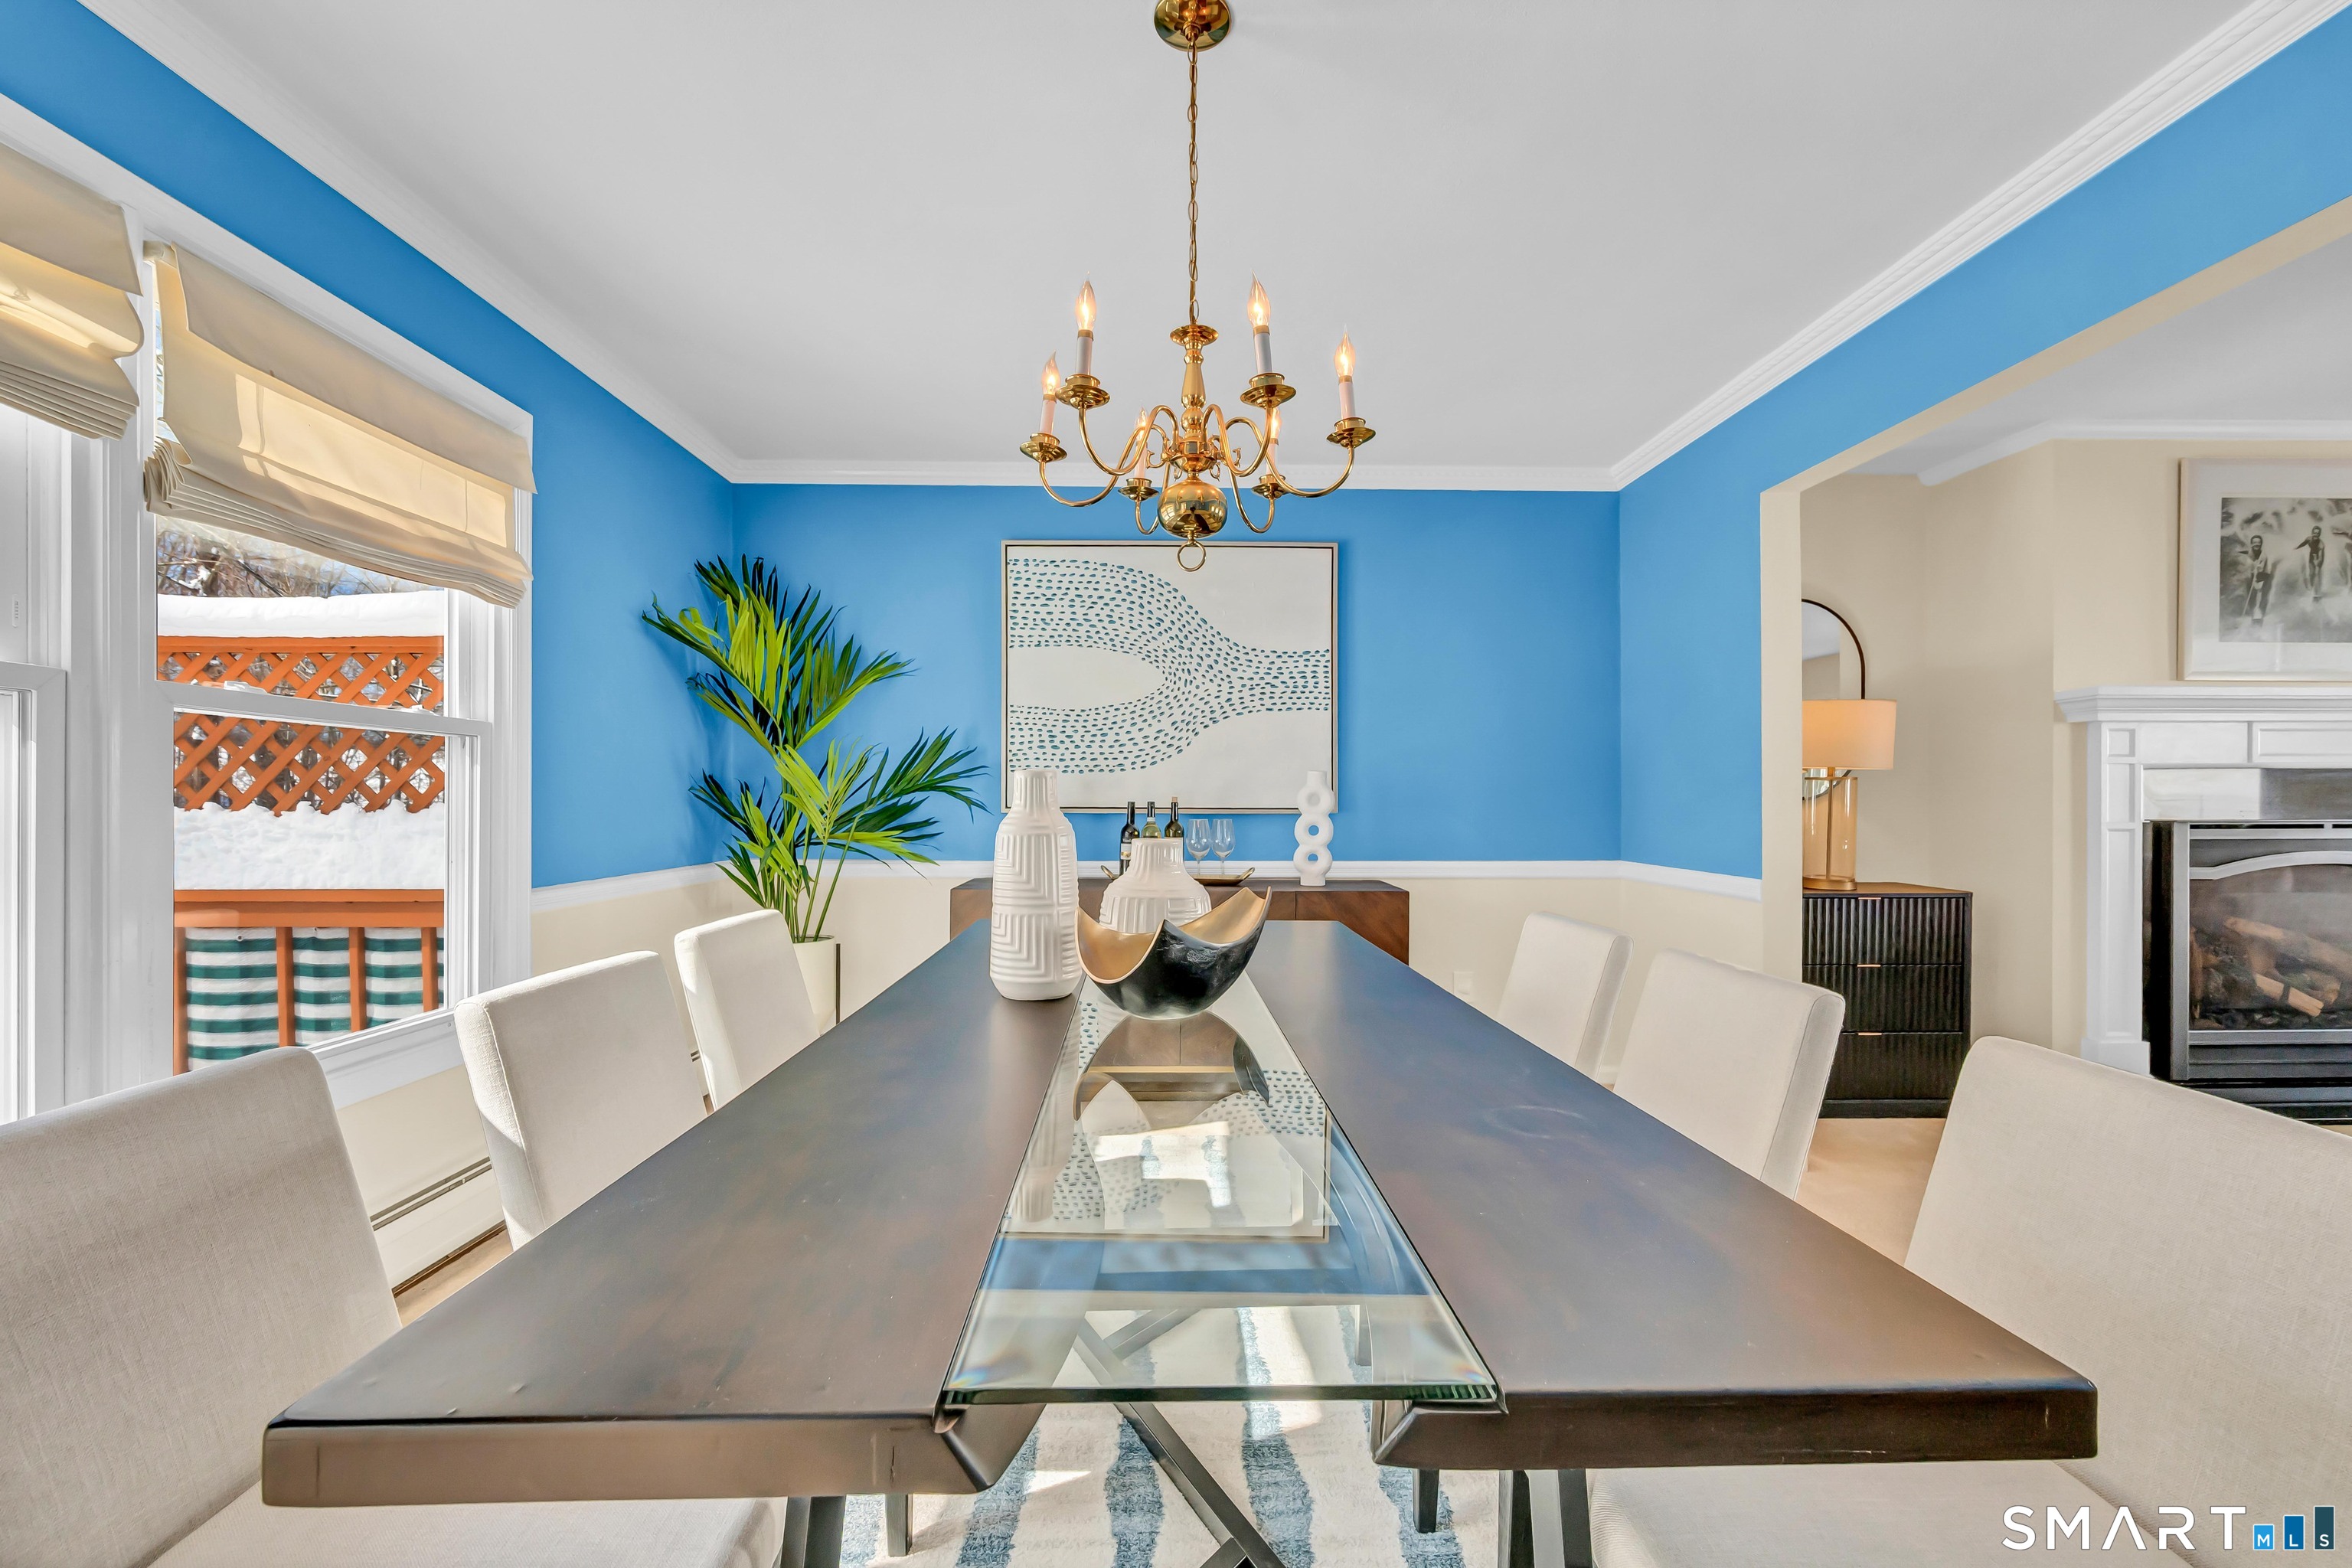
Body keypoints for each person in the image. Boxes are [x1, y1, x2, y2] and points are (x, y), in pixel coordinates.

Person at [2246, 531, 2277, 624]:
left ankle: (2258, 610)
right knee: (2252, 589)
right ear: (2251, 544)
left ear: (2261, 544)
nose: (2257, 544)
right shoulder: (2250, 553)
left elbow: (2261, 569)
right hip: (2255, 571)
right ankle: (2252, 608)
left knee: (2259, 589)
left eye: (2259, 543)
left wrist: (2258, 570)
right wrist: (2252, 570)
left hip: (2264, 572)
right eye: (2255, 543)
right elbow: (2250, 565)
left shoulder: (2263, 555)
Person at [2302, 524, 2328, 599]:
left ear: (2319, 534)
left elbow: (2320, 557)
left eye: (2318, 533)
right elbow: (2303, 544)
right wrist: (2296, 548)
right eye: (2315, 533)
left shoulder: (2321, 545)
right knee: (2311, 573)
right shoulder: (2309, 539)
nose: (2316, 535)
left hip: (2320, 558)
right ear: (2312, 533)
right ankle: (2311, 588)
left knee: (2316, 573)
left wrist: (2317, 562)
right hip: (2311, 556)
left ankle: (2316, 594)